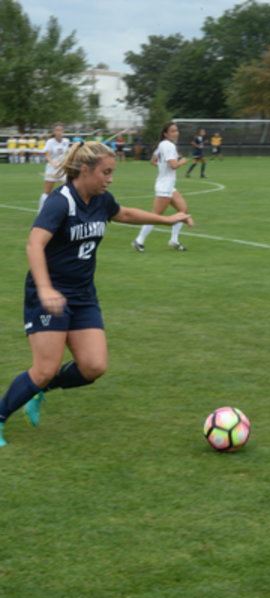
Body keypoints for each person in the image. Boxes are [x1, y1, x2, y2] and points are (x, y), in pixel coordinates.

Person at [0, 141, 192, 447]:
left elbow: (124, 214)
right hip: (48, 294)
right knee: (45, 368)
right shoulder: (61, 201)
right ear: (85, 170)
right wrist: (46, 288)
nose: (110, 179)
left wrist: (167, 219)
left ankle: (38, 390)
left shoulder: (102, 200)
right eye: (106, 172)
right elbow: (34, 244)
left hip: (83, 295)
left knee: (93, 367)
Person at [132, 121, 194, 253]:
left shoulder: (163, 145)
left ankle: (174, 240)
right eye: (172, 131)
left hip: (169, 186)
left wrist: (162, 166)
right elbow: (173, 165)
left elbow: (153, 161)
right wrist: (182, 161)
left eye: (176, 130)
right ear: (166, 133)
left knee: (183, 211)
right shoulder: (168, 145)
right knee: (155, 215)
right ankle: (139, 240)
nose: (176, 133)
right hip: (164, 186)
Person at [38, 123, 71, 213]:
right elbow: (48, 156)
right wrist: (54, 164)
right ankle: (41, 211)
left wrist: (65, 163)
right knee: (47, 191)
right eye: (57, 130)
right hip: (52, 169)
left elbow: (67, 154)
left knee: (67, 189)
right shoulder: (50, 142)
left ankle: (67, 210)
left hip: (63, 168)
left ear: (63, 131)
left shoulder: (66, 141)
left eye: (60, 130)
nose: (59, 132)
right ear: (54, 131)